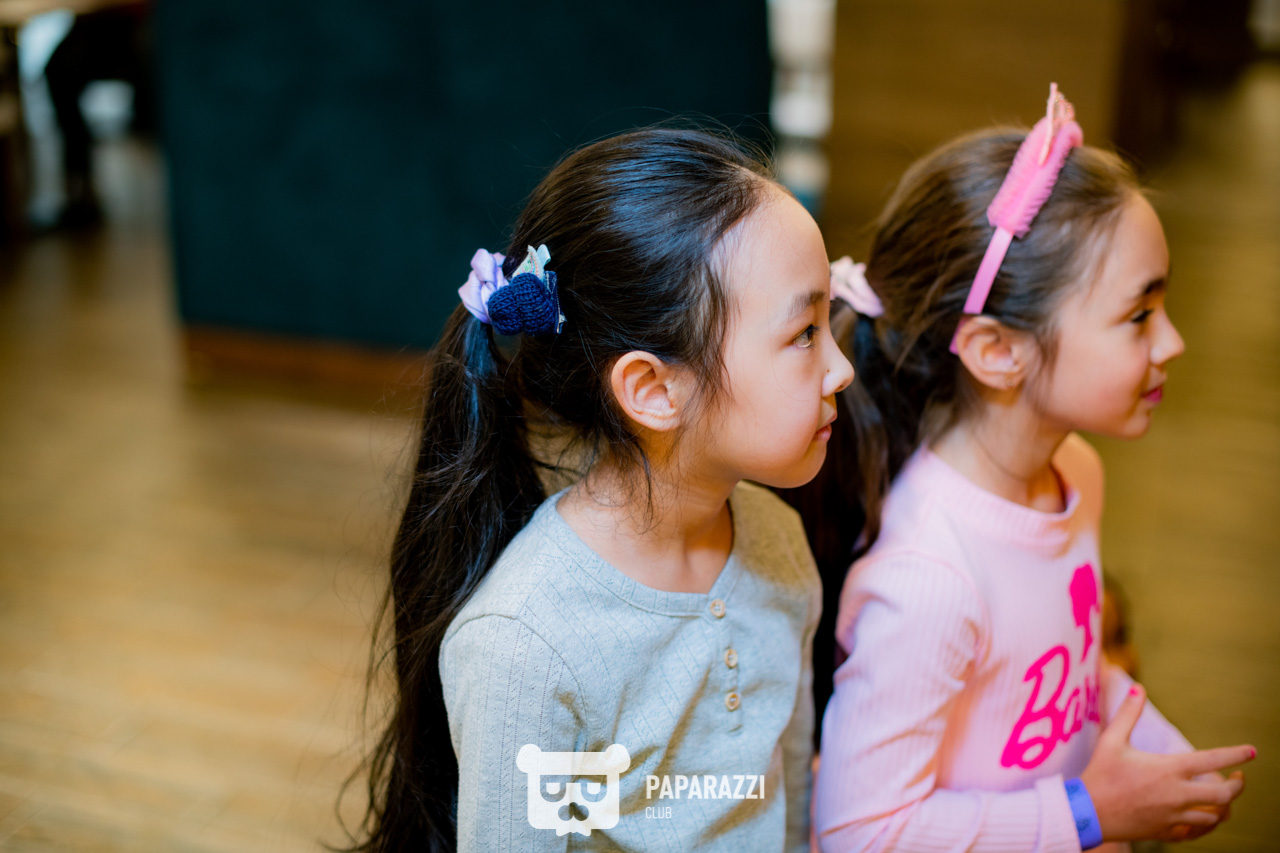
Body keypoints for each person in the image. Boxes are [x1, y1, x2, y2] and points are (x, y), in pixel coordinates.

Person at [349, 128, 855, 852]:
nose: (841, 368)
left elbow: (791, 804)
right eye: (804, 332)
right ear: (653, 389)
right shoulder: (524, 643)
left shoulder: (778, 541)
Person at [811, 86, 1255, 851]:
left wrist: (1151, 746)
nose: (1174, 342)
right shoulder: (929, 580)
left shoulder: (1073, 473)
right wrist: (1088, 812)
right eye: (1138, 315)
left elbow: (1057, 673)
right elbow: (858, 831)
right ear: (997, 351)